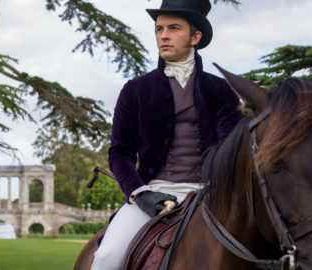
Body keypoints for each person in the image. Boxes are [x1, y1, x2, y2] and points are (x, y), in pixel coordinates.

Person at [90, 0, 243, 269]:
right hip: (152, 194)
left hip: (211, 196)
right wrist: (140, 192)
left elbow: (230, 149)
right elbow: (120, 153)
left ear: (195, 37)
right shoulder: (135, 89)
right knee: (106, 258)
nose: (163, 35)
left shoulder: (220, 90)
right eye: (159, 29)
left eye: (174, 28)